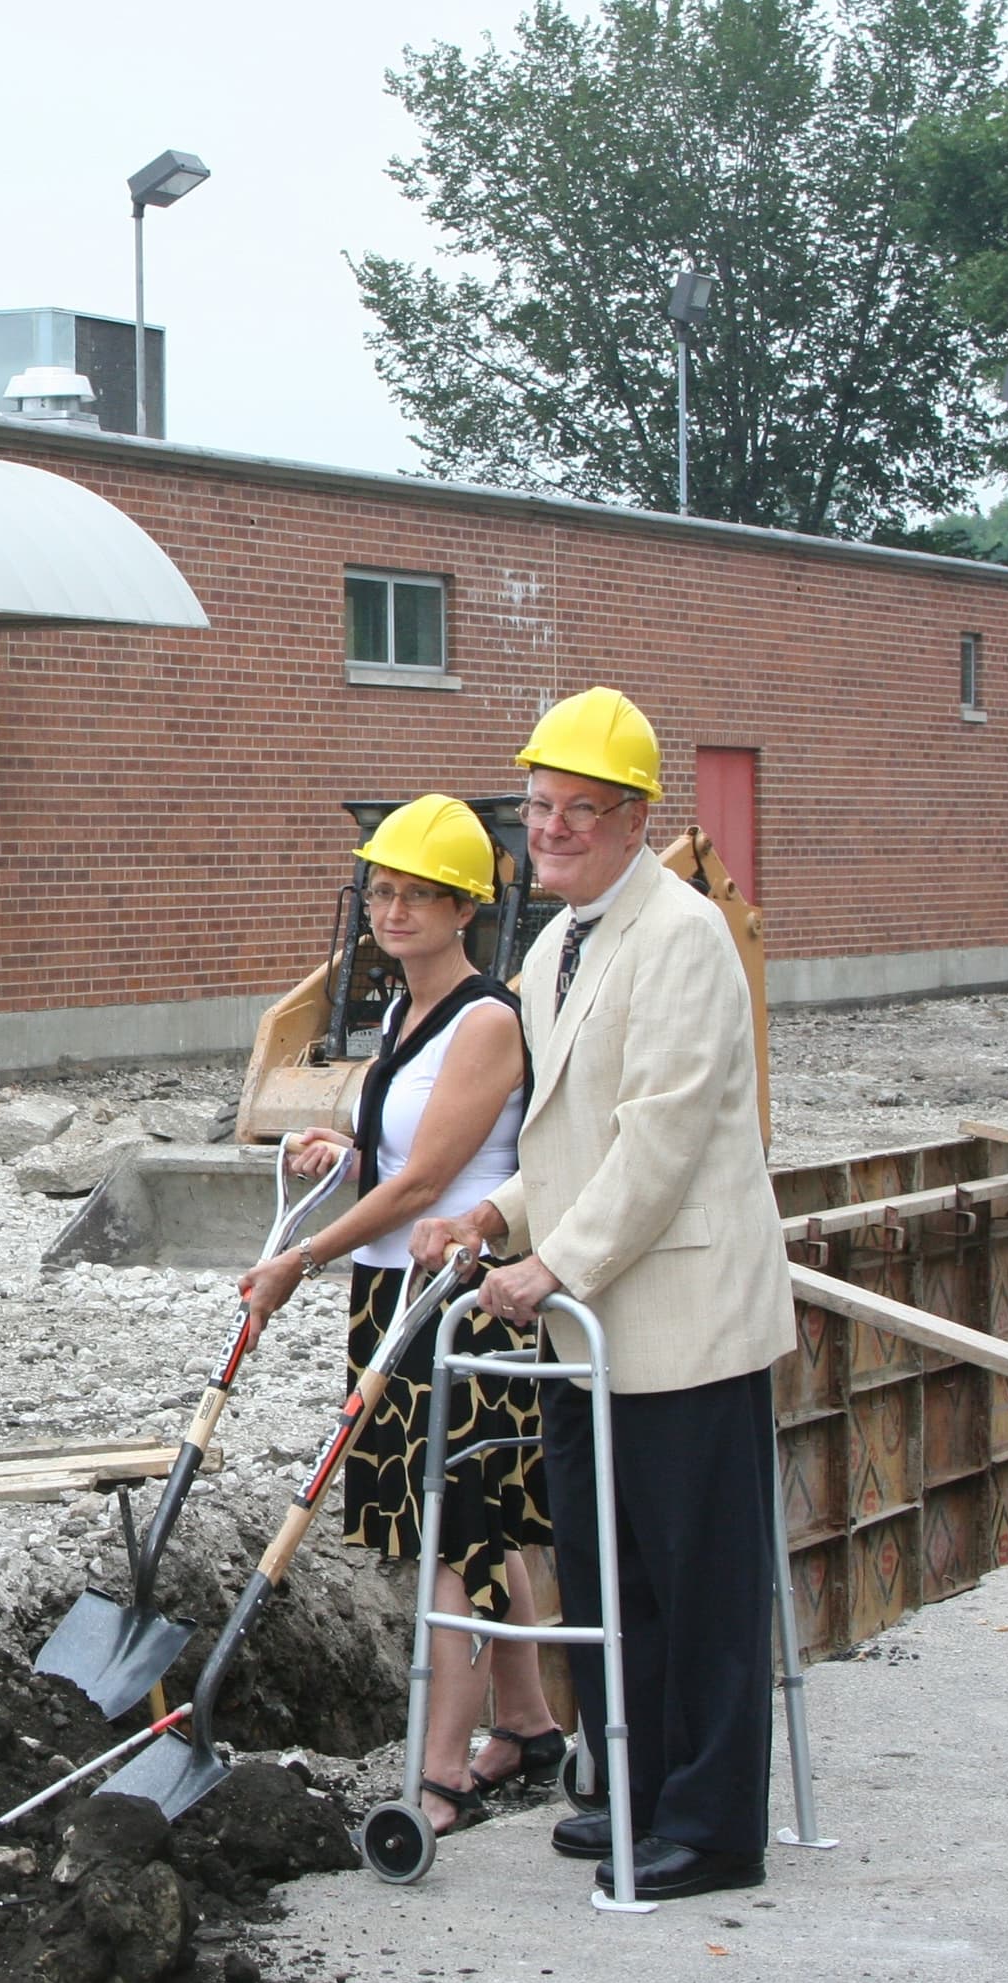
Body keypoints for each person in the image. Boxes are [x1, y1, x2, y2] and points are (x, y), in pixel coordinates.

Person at [412, 687, 794, 1904]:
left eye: (584, 809)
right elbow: (568, 1137)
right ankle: (634, 1785)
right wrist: (498, 1214)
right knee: (608, 1568)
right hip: (589, 1330)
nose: (557, 828)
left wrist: (553, 1263)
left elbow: (661, 1139)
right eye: (541, 806)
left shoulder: (680, 935)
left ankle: (714, 1822)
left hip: (678, 1317)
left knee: (699, 1577)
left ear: (636, 821)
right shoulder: (554, 942)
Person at [238, 794, 560, 1836]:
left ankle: (443, 1773)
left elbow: (428, 1184)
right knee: (477, 1528)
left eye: (422, 893)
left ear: (467, 906)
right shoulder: (398, 1015)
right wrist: (339, 1157)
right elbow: (391, 1159)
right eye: (383, 889)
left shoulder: (485, 1018)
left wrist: (300, 1254)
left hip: (462, 1298)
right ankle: (529, 1725)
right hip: (395, 1293)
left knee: (453, 1537)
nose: (395, 908)